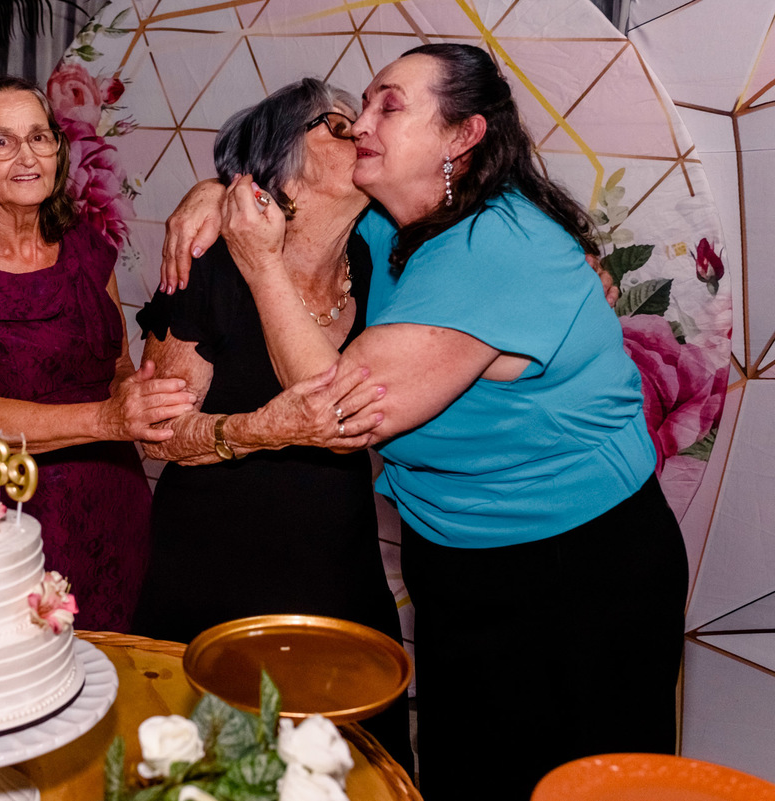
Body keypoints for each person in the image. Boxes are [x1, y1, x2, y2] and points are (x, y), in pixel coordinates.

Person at [207, 44, 687, 801]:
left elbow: (335, 410)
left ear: (461, 137)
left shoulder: (495, 245)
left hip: (579, 576)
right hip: (459, 562)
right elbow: (300, 192)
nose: (361, 123)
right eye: (359, 107)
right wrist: (212, 192)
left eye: (388, 107)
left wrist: (260, 265)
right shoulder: (394, 223)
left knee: (585, 786)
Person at [131, 78, 412, 773]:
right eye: (338, 124)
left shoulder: (374, 256)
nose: (364, 131)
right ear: (283, 162)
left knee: (357, 768)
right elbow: (157, 433)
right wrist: (262, 428)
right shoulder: (211, 265)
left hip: (340, 564)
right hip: (216, 569)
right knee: (216, 771)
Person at [0, 76, 196, 632]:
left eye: (40, 137)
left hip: (116, 499)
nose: (27, 155)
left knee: (125, 669)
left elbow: (116, 368)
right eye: (2, 142)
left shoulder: (87, 244)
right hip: (11, 512)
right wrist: (107, 419)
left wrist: (144, 398)